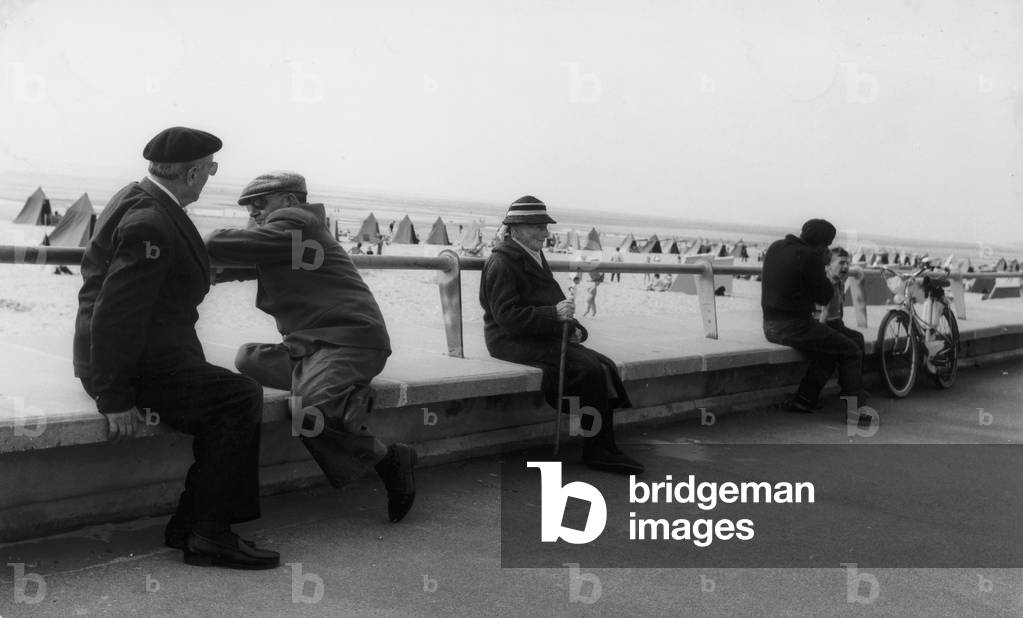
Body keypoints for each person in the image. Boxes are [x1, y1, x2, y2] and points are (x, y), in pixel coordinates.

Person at [73, 127, 278, 569]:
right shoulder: (151, 221)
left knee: (228, 396)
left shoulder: (140, 198)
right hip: (135, 366)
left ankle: (192, 524)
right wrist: (114, 397)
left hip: (150, 355)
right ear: (191, 172)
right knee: (240, 398)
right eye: (210, 169)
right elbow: (116, 313)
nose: (211, 176)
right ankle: (208, 533)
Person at [205, 171, 416, 523]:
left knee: (307, 408)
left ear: (289, 201)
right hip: (312, 346)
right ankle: (342, 390)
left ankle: (390, 461)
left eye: (261, 203)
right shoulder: (288, 239)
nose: (254, 211)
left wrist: (205, 245)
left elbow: (220, 244)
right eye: (248, 206)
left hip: (351, 340)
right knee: (247, 357)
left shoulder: (297, 222)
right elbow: (237, 263)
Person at [479, 195, 644, 475]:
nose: (545, 233)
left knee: (603, 365)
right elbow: (507, 319)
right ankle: (598, 450)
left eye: (545, 226)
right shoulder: (502, 262)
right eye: (538, 227)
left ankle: (603, 444)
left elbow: (554, 303)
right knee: (589, 368)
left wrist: (576, 329)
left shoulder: (532, 255)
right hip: (509, 342)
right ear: (515, 228)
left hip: (534, 336)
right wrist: (553, 316)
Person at [761, 219, 866, 414]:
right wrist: (823, 261)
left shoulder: (776, 246)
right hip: (795, 326)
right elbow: (824, 296)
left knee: (827, 351)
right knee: (851, 350)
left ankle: (804, 400)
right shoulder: (810, 256)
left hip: (769, 325)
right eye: (827, 244)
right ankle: (855, 412)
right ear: (822, 244)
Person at [816, 247, 865, 359]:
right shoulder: (826, 284)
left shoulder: (839, 280)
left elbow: (855, 271)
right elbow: (824, 312)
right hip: (826, 325)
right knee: (851, 344)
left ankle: (857, 373)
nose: (846, 267)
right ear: (827, 267)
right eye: (841, 263)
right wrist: (819, 338)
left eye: (848, 263)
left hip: (837, 323)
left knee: (858, 338)